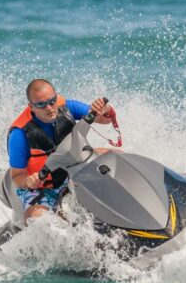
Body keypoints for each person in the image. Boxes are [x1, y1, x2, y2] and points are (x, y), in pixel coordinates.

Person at [7, 78, 114, 223]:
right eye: (41, 105)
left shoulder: (68, 107)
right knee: (36, 220)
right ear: (31, 106)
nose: (49, 108)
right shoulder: (19, 135)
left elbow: (104, 119)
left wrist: (105, 110)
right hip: (43, 187)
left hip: (74, 172)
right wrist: (28, 181)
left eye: (52, 101)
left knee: (118, 157)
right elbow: (17, 176)